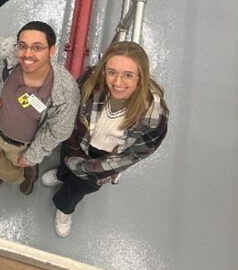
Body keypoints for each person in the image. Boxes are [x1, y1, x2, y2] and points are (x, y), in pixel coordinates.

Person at [40, 41, 168, 237]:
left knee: (78, 188)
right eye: (111, 72)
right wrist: (72, 149)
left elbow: (132, 156)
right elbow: (72, 112)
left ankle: (64, 209)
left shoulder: (154, 116)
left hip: (108, 157)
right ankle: (62, 174)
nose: (117, 82)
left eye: (128, 75)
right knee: (67, 161)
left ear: (141, 76)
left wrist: (89, 169)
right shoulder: (91, 80)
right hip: (78, 139)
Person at [0, 21, 79, 194]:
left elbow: (59, 131)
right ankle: (15, 176)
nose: (27, 54)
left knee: (20, 161)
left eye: (37, 47)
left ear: (51, 51)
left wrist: (32, 156)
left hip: (24, 145)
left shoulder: (65, 91)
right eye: (23, 46)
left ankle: (26, 170)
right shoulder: (7, 51)